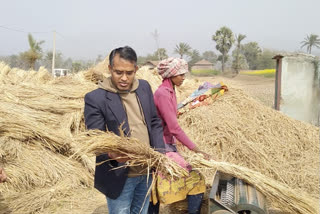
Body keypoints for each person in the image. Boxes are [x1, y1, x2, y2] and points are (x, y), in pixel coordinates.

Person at [84, 46, 165, 214]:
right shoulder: (96, 98)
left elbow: (154, 121)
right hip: (120, 175)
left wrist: (160, 153)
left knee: (141, 211)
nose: (124, 78)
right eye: (118, 72)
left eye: (129, 73)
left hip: (147, 170)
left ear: (136, 69)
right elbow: (95, 138)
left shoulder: (144, 87)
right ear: (109, 69)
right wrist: (112, 153)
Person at [149, 57, 211, 214]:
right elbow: (174, 127)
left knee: (157, 185)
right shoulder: (163, 93)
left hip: (167, 143)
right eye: (181, 74)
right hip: (161, 146)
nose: (184, 77)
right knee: (196, 178)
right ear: (171, 75)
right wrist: (196, 149)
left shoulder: (170, 91)